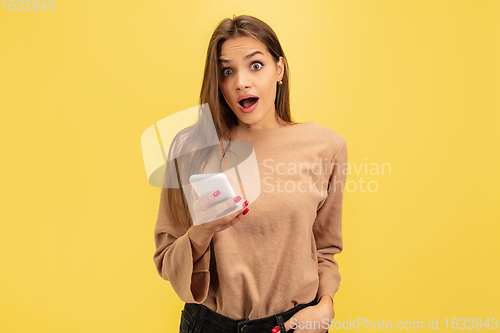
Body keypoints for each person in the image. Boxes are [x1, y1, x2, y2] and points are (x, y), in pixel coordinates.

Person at [153, 14, 348, 333]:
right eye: (227, 71)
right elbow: (167, 258)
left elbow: (325, 248)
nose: (241, 81)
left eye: (255, 65)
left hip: (294, 325)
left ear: (280, 69)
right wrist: (202, 231)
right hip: (210, 325)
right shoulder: (191, 146)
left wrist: (325, 306)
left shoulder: (327, 146)